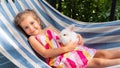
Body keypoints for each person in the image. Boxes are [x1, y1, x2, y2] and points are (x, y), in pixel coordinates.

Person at [14, 9, 120, 68]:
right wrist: (66, 49)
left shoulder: (49, 29)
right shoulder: (33, 38)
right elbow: (45, 53)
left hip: (73, 50)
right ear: (23, 30)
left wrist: (77, 38)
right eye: (26, 27)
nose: (31, 28)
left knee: (105, 54)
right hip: (62, 60)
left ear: (38, 21)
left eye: (32, 23)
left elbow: (64, 37)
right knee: (99, 62)